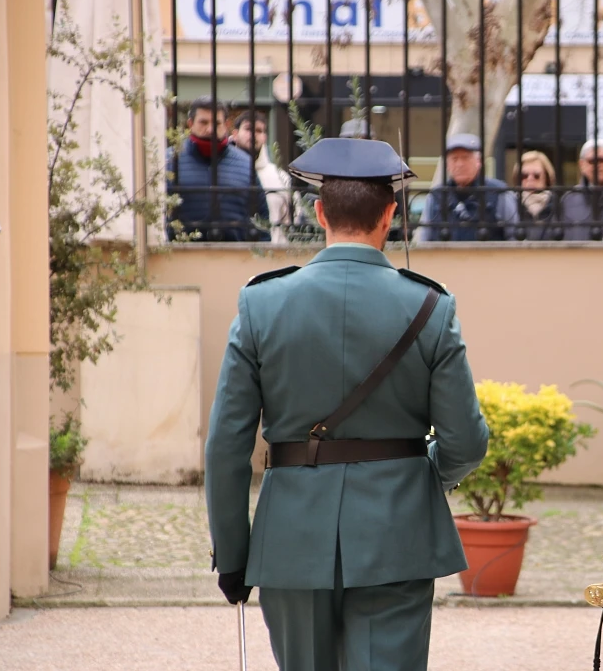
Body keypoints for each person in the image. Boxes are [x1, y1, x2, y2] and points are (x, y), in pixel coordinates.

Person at [204, 137, 489, 671]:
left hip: (291, 535)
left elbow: (226, 446)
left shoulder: (261, 302)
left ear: (319, 213)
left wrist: (233, 553)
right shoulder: (431, 304)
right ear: (391, 215)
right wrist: (425, 477)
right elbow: (467, 440)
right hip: (399, 532)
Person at [167, 95, 270, 242]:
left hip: (236, 258)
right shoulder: (170, 160)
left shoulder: (244, 163)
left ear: (226, 125)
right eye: (203, 122)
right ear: (190, 124)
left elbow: (262, 218)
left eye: (216, 123)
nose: (210, 129)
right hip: (179, 256)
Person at [416, 133, 518, 242]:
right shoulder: (436, 196)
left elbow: (515, 237)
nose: (460, 164)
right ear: (447, 165)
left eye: (465, 158)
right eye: (454, 159)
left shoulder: (498, 192)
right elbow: (423, 238)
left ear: (478, 162)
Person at [230, 110, 294, 243]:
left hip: (273, 257)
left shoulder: (280, 177)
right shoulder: (221, 172)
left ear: (265, 137)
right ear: (235, 134)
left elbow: (293, 221)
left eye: (259, 131)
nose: (254, 135)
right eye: (248, 129)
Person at [560, 139, 603, 241]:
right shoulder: (568, 199)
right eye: (592, 161)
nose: (597, 165)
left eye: (602, 160)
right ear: (581, 164)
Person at [510, 150, 563, 241]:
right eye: (524, 176)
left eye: (536, 176)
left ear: (546, 178)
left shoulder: (559, 206)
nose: (530, 180)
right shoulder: (511, 204)